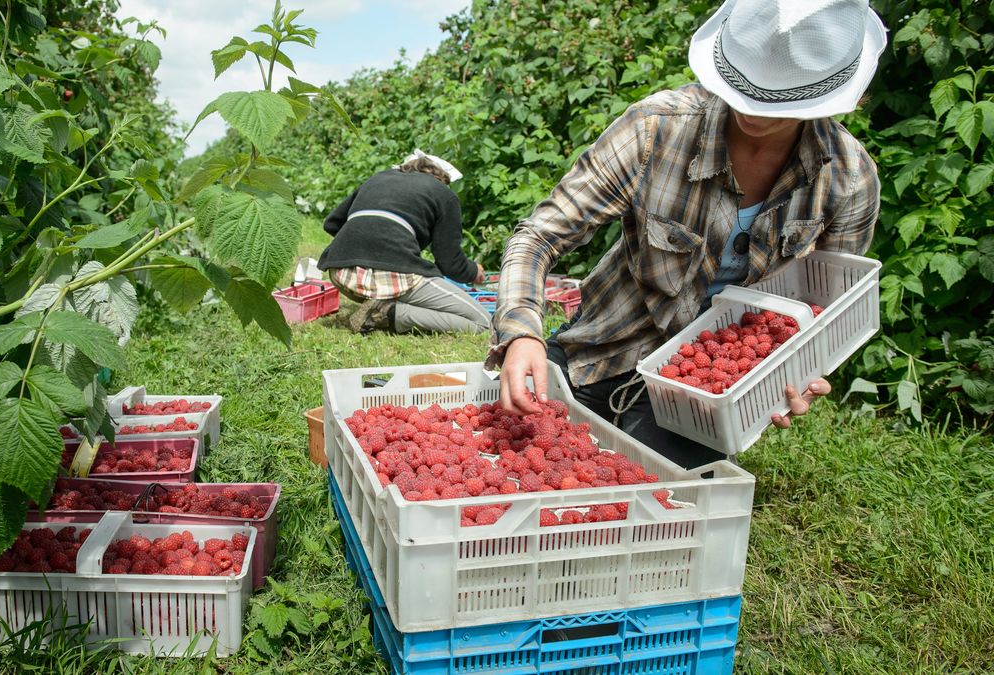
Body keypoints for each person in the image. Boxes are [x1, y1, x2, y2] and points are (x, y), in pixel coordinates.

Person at [489, 0, 887, 469]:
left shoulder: (848, 179)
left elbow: (825, 318)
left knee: (659, 493)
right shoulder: (656, 129)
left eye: (780, 100)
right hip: (600, 351)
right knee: (512, 454)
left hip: (702, 396)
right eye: (745, 88)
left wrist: (801, 372)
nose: (753, 109)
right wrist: (521, 334)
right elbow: (538, 237)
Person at [319, 150, 491, 335]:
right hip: (391, 276)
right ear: (442, 178)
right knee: (484, 323)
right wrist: (473, 272)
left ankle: (382, 306)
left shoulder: (379, 178)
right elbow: (450, 263)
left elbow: (332, 223)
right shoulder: (443, 194)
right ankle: (388, 314)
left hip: (342, 273)